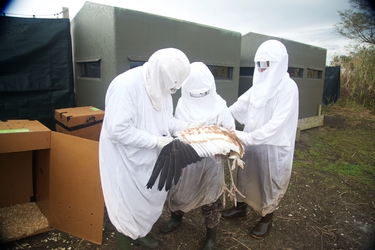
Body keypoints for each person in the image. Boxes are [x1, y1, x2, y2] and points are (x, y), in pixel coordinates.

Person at [99, 48, 201, 249]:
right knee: (126, 206)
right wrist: (155, 141)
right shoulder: (126, 86)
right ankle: (125, 241)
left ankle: (139, 234)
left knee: (145, 204)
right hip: (125, 160)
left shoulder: (163, 87)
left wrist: (188, 126)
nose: (172, 91)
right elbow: (117, 130)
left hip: (150, 158)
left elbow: (166, 120)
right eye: (171, 86)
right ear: (159, 74)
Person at [221, 40, 299, 239]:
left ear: (279, 63)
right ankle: (239, 208)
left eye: (267, 65)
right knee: (243, 174)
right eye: (259, 65)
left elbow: (277, 124)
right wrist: (221, 117)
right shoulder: (259, 85)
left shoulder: (288, 88)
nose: (262, 69)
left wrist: (247, 137)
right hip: (251, 140)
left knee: (268, 181)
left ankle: (266, 217)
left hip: (272, 146)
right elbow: (239, 106)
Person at [160, 62, 235, 250]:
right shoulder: (182, 104)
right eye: (195, 93)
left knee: (210, 199)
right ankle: (176, 218)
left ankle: (211, 234)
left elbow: (230, 132)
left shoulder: (220, 105)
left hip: (212, 162)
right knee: (178, 191)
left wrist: (224, 145)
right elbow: (178, 130)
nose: (200, 97)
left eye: (203, 93)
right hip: (187, 161)